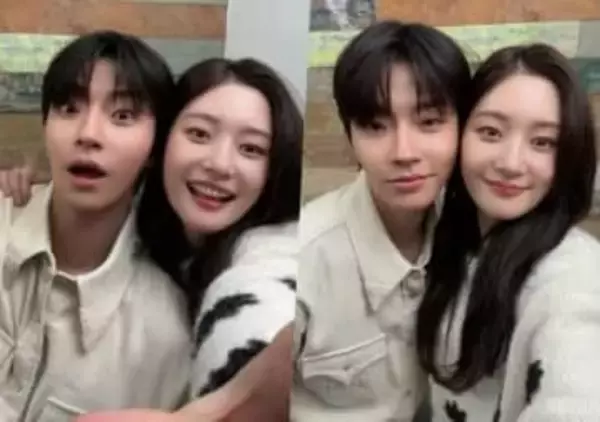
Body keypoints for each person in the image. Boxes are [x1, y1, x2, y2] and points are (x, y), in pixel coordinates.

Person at [1, 57, 303, 421]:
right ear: (159, 144)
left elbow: (267, 321)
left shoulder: (269, 266)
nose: (220, 164)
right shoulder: (142, 236)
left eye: (251, 149)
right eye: (199, 134)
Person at [0, 31, 192, 421]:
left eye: (123, 116)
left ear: (156, 148)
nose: (88, 134)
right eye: (69, 108)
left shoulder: (167, 332)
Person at [291, 20, 471, 421]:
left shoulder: (473, 235)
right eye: (375, 126)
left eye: (429, 121)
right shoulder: (301, 259)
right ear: (349, 135)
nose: (404, 152)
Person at [416, 44, 600, 421]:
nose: (511, 163)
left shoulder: (573, 277)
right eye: (491, 132)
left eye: (543, 142)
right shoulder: (446, 232)